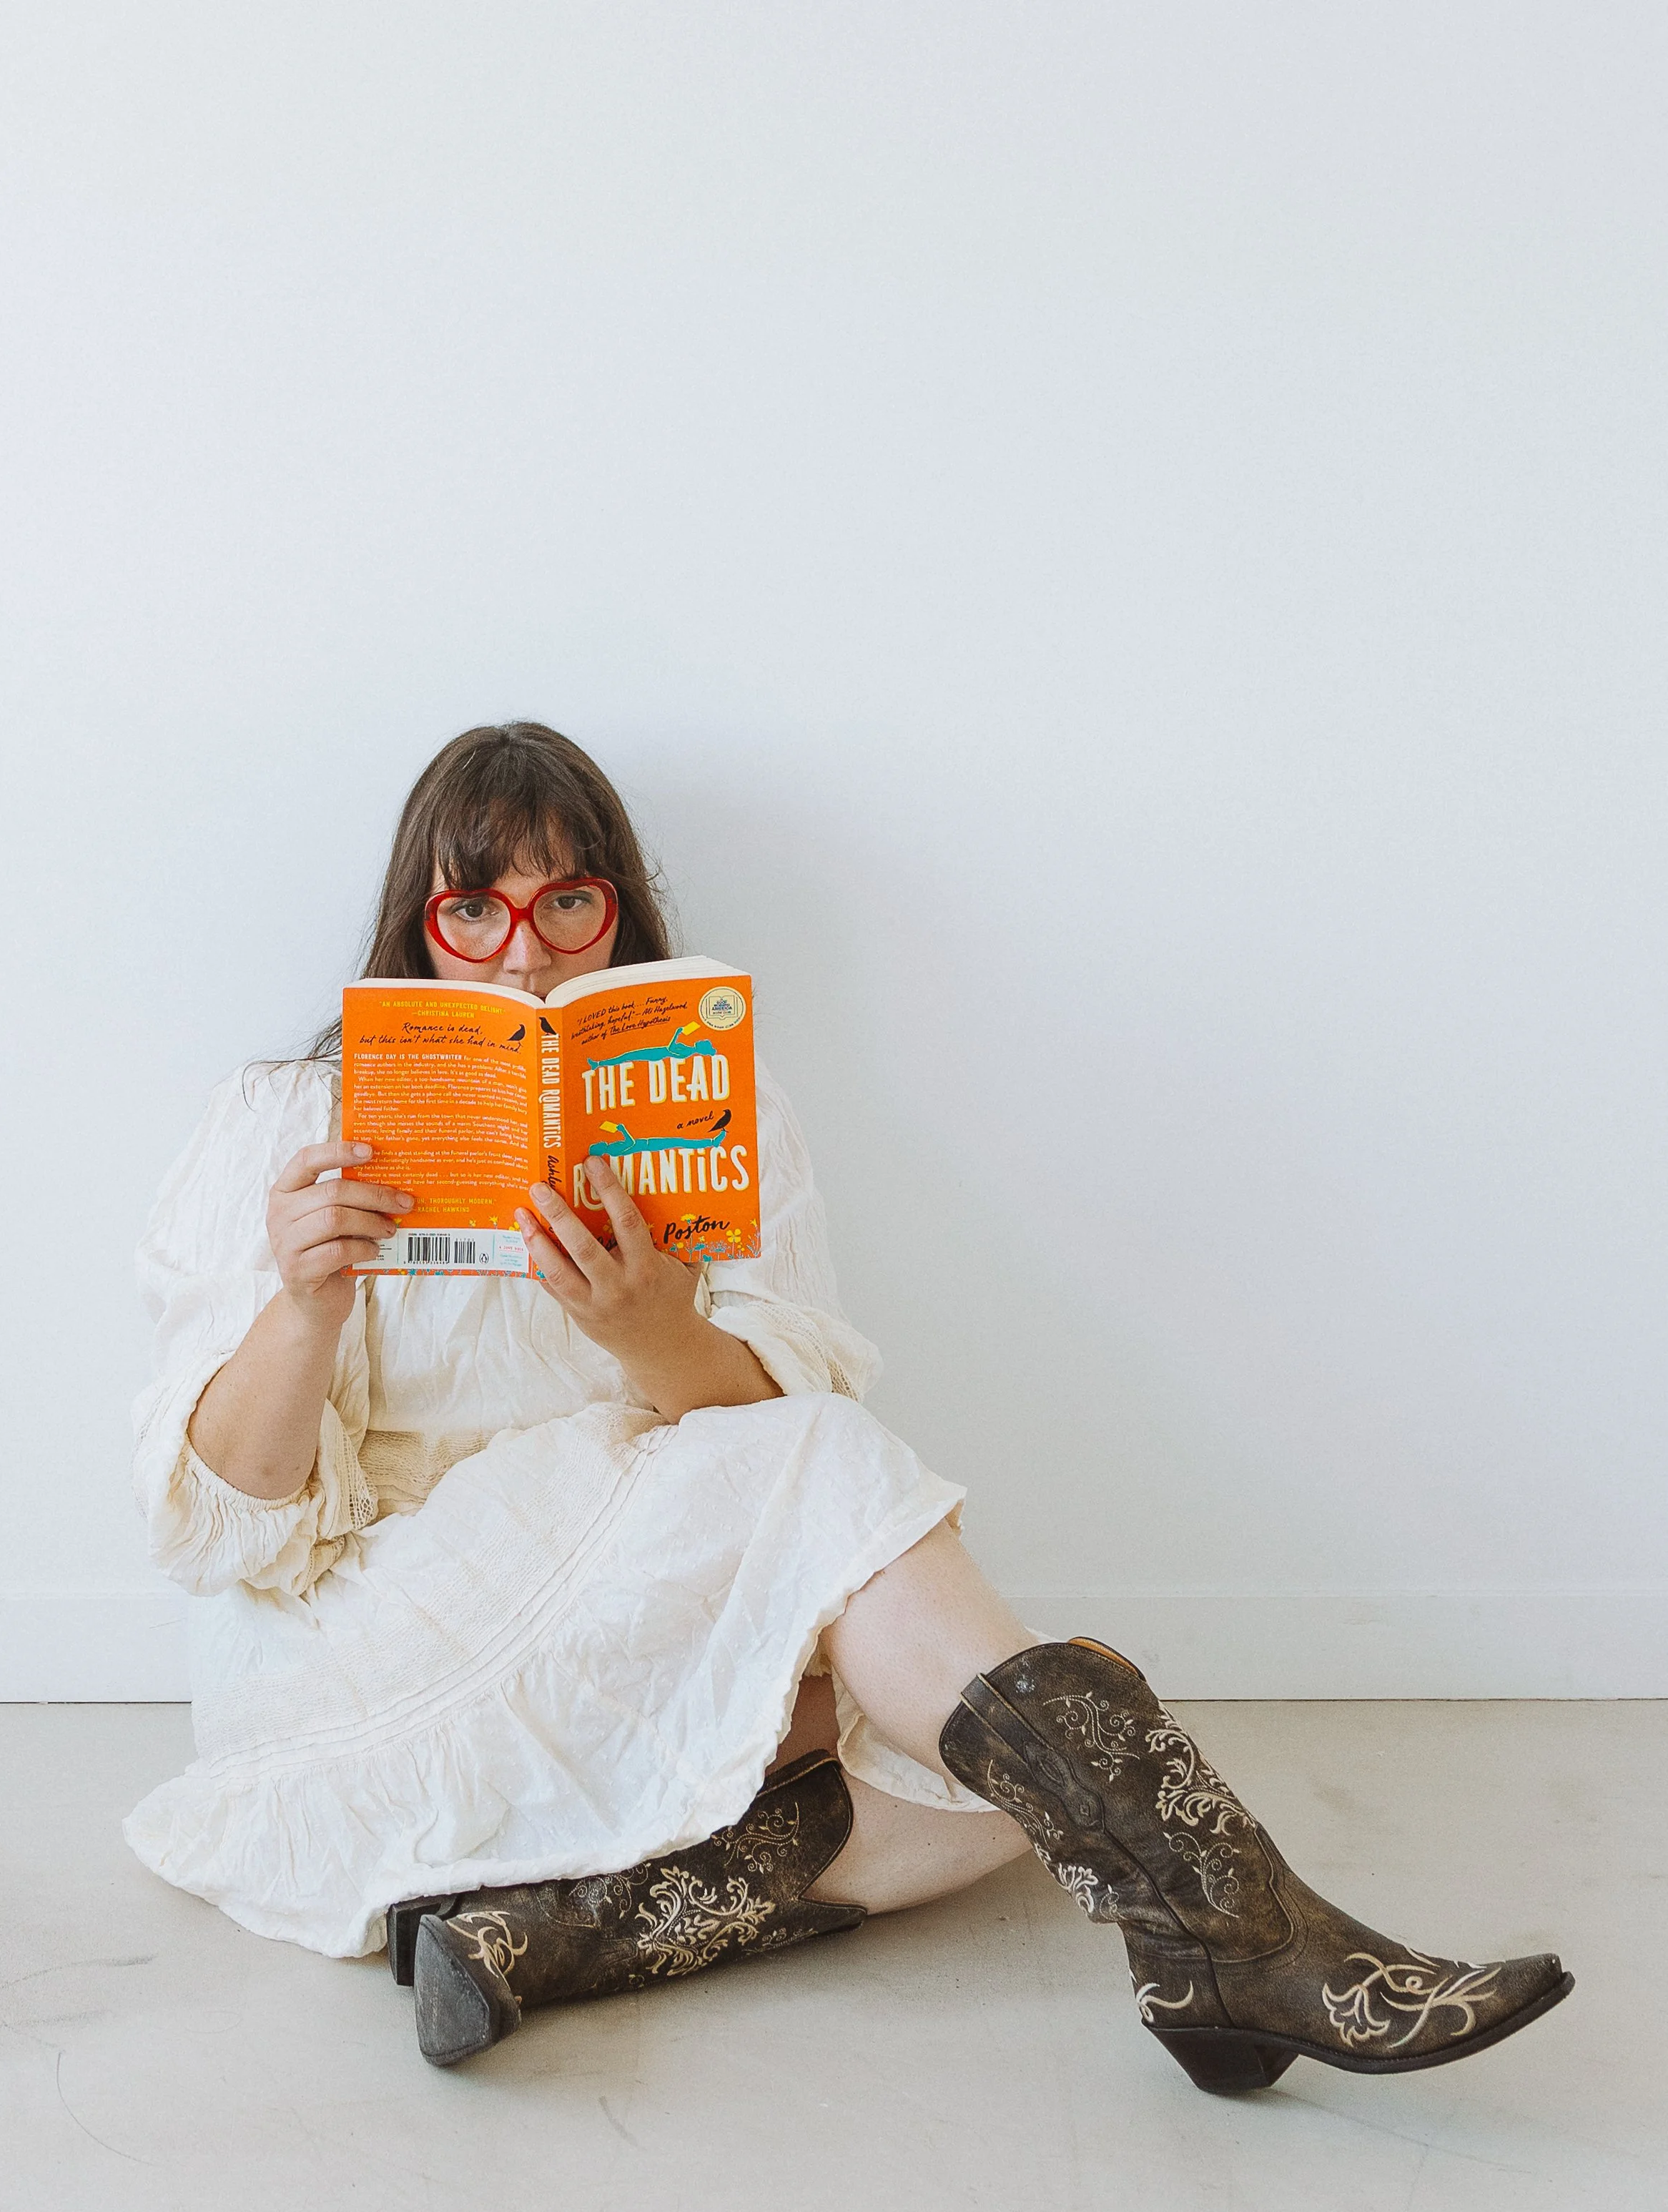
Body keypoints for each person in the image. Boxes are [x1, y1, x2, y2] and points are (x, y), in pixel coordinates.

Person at [129, 722, 1571, 2089]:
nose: (524, 951)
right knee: (875, 1551)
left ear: (622, 913)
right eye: (477, 912)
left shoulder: (705, 1106)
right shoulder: (281, 1120)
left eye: (568, 902)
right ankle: (1250, 1938)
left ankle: (542, 1938)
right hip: (360, 1655)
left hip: (606, 1622)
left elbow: (750, 1437)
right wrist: (303, 1306)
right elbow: (225, 1538)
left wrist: (654, 1328)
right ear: (417, 925)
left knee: (1002, 1745)